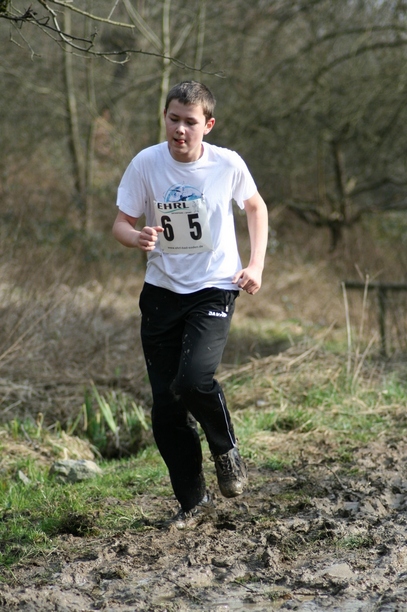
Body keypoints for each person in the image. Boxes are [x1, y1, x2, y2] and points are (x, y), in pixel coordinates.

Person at [112, 80, 268, 529]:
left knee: (193, 379)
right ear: (165, 117)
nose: (180, 129)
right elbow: (121, 223)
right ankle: (193, 501)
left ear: (208, 125)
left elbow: (255, 208)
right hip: (161, 293)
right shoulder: (146, 163)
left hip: (215, 287)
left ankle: (225, 449)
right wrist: (137, 237)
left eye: (190, 122)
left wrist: (255, 265)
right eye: (173, 119)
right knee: (166, 406)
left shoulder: (227, 164)